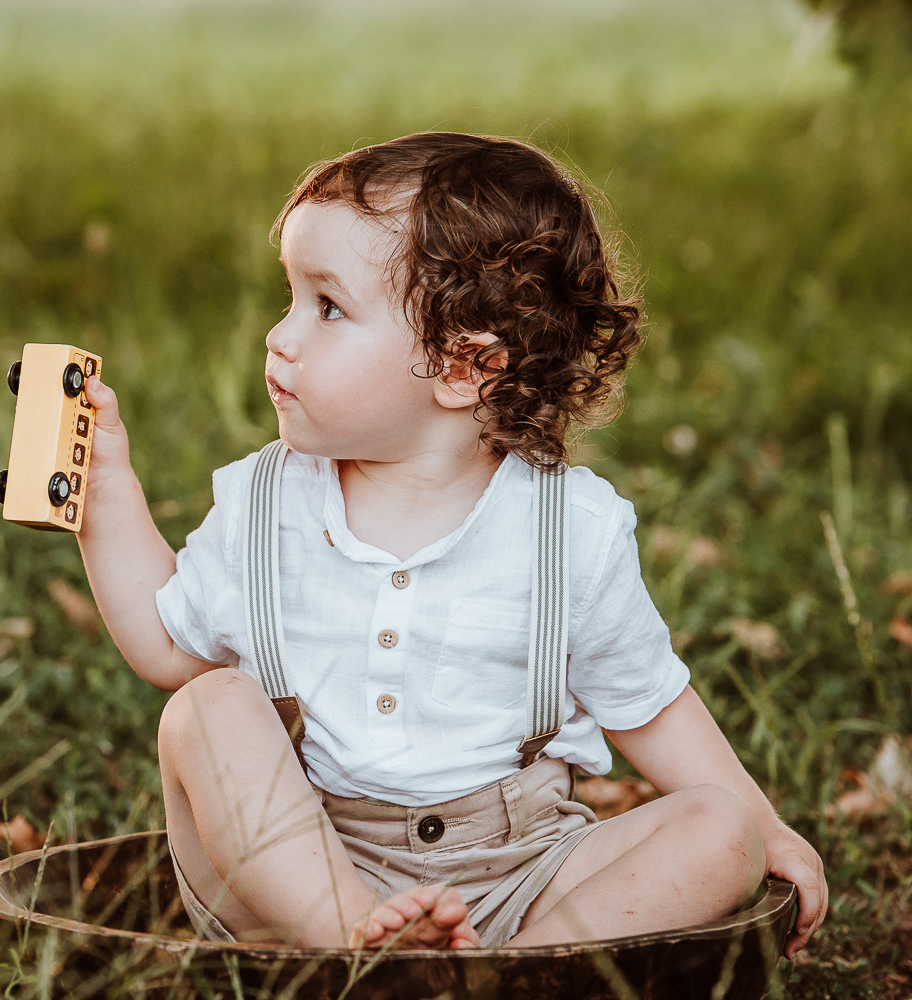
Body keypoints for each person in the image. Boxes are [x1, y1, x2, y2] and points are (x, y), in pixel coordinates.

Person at [74, 132, 826, 955]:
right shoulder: (265, 503)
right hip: (301, 876)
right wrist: (104, 492)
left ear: (463, 368)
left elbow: (649, 704)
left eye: (327, 308)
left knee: (719, 829)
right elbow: (165, 648)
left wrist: (765, 828)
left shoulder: (566, 530)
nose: (279, 336)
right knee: (205, 708)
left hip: (520, 876)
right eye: (289, 297)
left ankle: (510, 971)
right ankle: (362, 950)